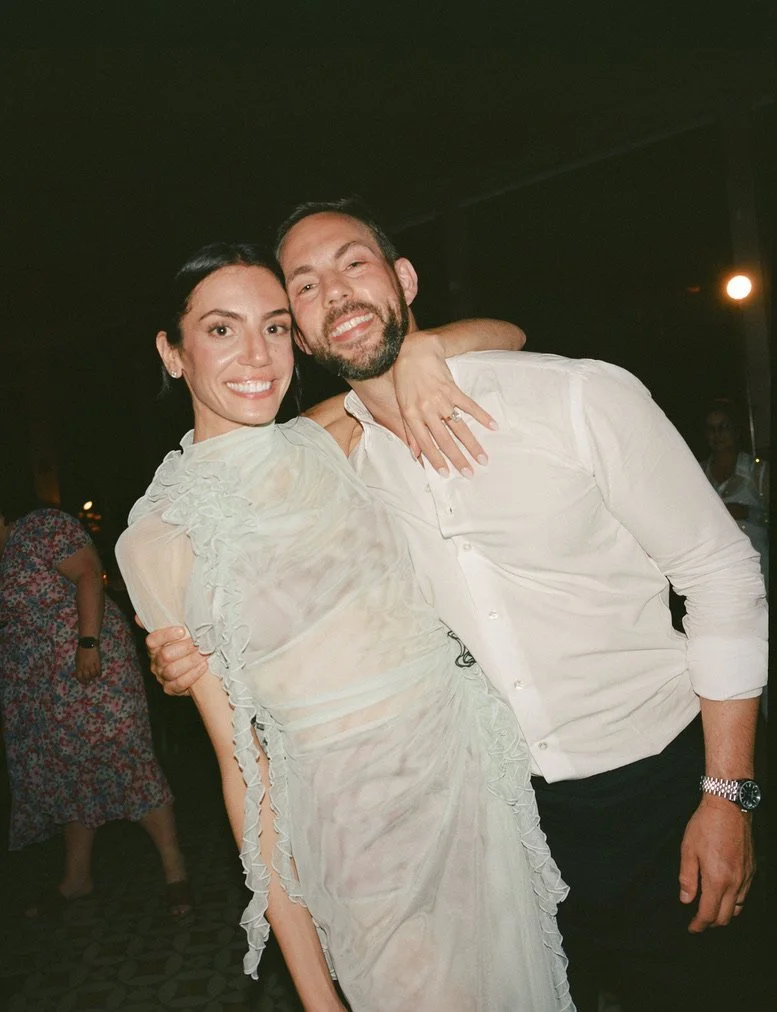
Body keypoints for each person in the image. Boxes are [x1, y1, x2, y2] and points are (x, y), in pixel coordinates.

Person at [150, 200, 769, 1012]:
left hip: (658, 788)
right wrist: (187, 647)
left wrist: (727, 795)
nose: (333, 292)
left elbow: (721, 575)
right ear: (300, 333)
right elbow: (243, 525)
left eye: (352, 264)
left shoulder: (575, 398)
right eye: (304, 285)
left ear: (404, 279)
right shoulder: (333, 461)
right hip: (498, 821)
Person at [116, 243, 573, 1012]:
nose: (256, 356)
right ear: (171, 352)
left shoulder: (331, 432)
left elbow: (508, 335)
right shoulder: (157, 537)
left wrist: (424, 348)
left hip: (465, 779)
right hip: (353, 832)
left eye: (273, 327)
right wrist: (316, 996)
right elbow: (244, 771)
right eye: (221, 331)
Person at [0, 497, 190, 918]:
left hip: (89, 664)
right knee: (71, 769)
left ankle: (175, 872)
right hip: (45, 686)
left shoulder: (40, 526)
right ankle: (76, 879)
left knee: (125, 756)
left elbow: (88, 573)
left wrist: (88, 642)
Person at [703, 398, 769, 587]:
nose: (717, 434)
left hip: (755, 569)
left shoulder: (758, 471)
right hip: (714, 568)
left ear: (736, 431)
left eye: (724, 426)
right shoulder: (698, 473)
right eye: (711, 428)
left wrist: (748, 513)